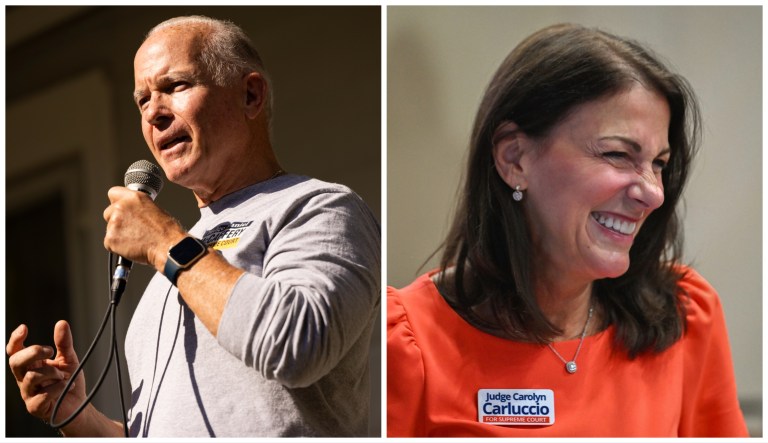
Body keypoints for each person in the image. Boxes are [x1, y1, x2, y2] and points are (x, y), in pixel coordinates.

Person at [7, 15, 380, 437]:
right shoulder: (170, 275)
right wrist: (78, 416)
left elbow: (296, 344)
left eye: (175, 86)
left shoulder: (319, 207)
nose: (154, 113)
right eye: (142, 100)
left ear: (251, 95)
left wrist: (163, 242)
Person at [387, 23, 747, 437]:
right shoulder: (406, 345)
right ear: (514, 159)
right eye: (617, 154)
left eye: (659, 164)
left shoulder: (684, 317)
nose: (653, 193)